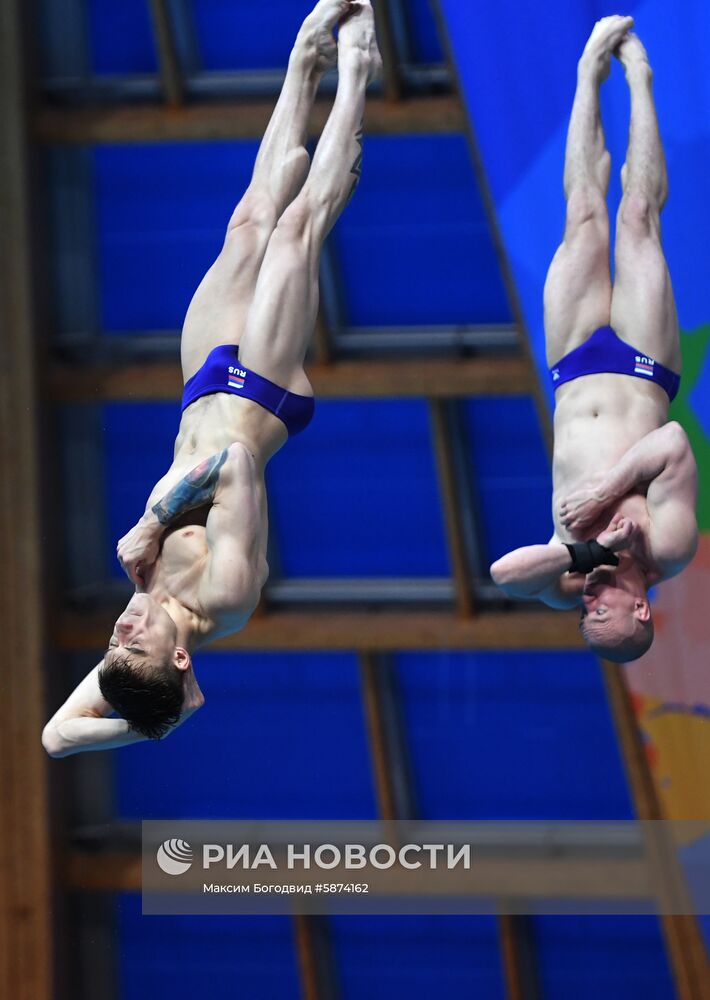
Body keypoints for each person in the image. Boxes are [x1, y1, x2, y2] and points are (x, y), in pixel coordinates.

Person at [42, 0, 382, 756]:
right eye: (135, 644)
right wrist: (153, 523)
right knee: (295, 231)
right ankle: (359, 69)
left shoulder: (146, 607)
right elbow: (232, 466)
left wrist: (162, 718)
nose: (122, 629)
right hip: (263, 395)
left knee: (250, 219)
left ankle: (306, 56)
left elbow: (56, 738)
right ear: (180, 658)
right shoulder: (223, 597)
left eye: (112, 644)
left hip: (201, 385)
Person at [490, 16, 697, 663]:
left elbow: (503, 575)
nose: (589, 600)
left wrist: (587, 550)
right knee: (637, 216)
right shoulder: (667, 548)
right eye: (602, 608)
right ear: (641, 607)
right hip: (644, 366)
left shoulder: (569, 577)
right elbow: (671, 442)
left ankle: (587, 75)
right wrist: (609, 496)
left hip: (574, 366)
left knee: (582, 215)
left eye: (586, 612)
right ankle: (638, 79)